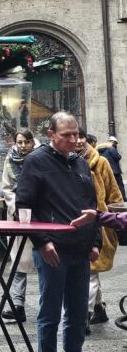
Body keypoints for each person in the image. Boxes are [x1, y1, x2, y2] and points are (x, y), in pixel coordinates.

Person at [16, 111, 101, 352]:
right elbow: (23, 206)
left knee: (77, 316)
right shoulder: (36, 161)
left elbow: (91, 207)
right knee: (50, 315)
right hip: (53, 250)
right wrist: (42, 242)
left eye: (76, 134)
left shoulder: (80, 162)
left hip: (81, 250)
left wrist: (95, 242)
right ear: (51, 134)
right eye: (67, 135)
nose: (74, 140)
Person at [76, 129, 122, 331]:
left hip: (99, 225)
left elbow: (115, 194)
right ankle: (99, 309)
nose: (77, 141)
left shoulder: (100, 162)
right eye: (73, 136)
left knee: (90, 272)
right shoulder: (65, 162)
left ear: (87, 139)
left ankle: (82, 317)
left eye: (81, 137)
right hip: (75, 222)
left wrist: (115, 219)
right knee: (90, 271)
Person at [0, 128, 39, 322]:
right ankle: (17, 306)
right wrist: (16, 205)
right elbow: (6, 187)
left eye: (26, 142)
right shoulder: (10, 159)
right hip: (17, 215)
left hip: (40, 216)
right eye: (20, 142)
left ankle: (50, 304)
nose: (23, 146)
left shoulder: (43, 157)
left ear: (33, 142)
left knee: (45, 261)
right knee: (17, 261)